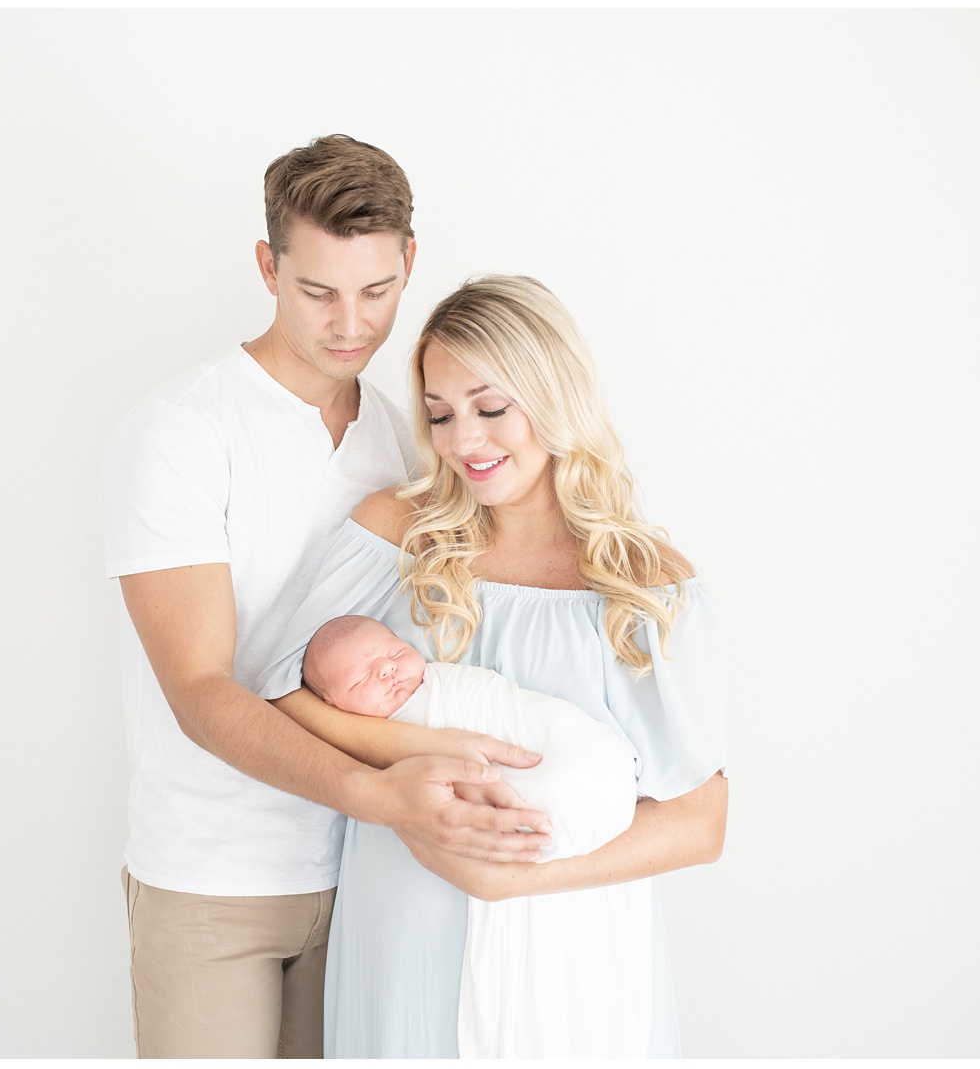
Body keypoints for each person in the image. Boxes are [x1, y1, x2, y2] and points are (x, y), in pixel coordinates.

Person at [99, 139, 553, 1060]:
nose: (352, 323)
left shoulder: (410, 436)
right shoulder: (183, 432)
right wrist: (385, 794)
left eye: (377, 291)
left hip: (373, 873)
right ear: (269, 267)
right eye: (318, 292)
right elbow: (201, 690)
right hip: (214, 876)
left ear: (409, 263)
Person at [255, 274, 729, 1057]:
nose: (462, 442)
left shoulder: (642, 582)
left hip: (572, 948)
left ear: (553, 397)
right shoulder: (396, 534)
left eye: (490, 407)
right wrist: (415, 764)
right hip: (402, 923)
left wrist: (510, 879)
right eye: (439, 414)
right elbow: (279, 693)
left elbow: (701, 820)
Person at [300, 613, 653, 1057]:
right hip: (417, 927)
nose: (387, 670)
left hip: (569, 758)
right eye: (362, 677)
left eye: (393, 653)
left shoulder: (451, 686)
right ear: (333, 706)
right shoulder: (367, 739)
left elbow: (503, 708)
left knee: (576, 779)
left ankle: (562, 807)